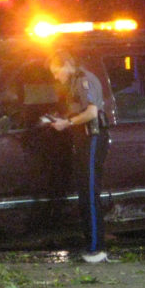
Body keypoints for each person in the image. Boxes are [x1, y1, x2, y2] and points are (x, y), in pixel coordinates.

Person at [48, 50, 110, 263]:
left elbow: (91, 113)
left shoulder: (85, 80)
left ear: (67, 64)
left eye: (57, 71)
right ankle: (92, 245)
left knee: (90, 192)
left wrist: (67, 123)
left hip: (92, 137)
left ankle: (97, 249)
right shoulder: (73, 83)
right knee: (84, 192)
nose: (56, 77)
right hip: (83, 139)